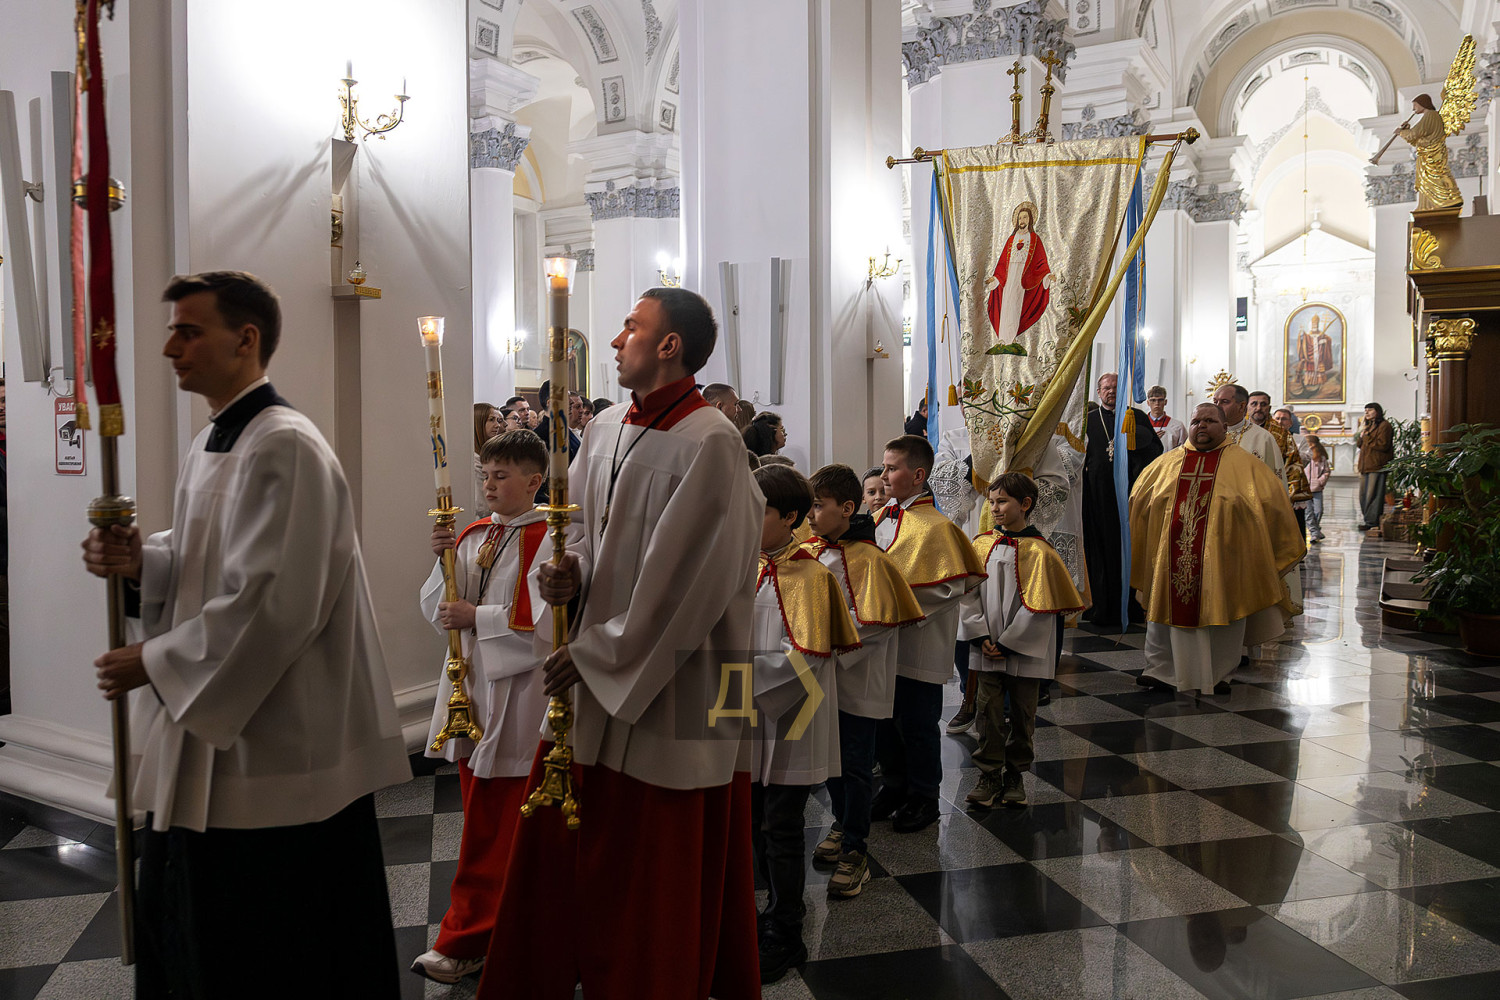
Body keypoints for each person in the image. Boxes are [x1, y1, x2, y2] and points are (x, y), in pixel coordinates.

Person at [80, 271, 409, 997]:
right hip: (212, 735)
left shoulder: (284, 444)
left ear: (246, 339)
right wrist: (142, 563)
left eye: (188, 331)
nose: (170, 347)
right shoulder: (214, 439)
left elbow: (273, 603)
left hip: (275, 748)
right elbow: (206, 564)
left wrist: (153, 661)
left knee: (268, 952)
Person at [479, 287, 762, 1000]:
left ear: (669, 345)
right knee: (571, 848)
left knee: (650, 868)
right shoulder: (605, 428)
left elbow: (691, 584)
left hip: (673, 685)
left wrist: (594, 652)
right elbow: (577, 528)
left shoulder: (712, 444)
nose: (614, 340)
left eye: (630, 327)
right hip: (597, 670)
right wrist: (566, 573)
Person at [412, 428, 554, 985]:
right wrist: (444, 563)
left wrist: (479, 618)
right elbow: (439, 608)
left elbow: (547, 626)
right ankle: (490, 934)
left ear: (534, 481)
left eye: (502, 476)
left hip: (518, 698)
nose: (490, 486)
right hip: (472, 691)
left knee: (503, 825)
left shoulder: (552, 537)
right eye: (486, 476)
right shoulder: (473, 534)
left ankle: (472, 937)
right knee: (482, 820)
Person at [748, 464, 859, 983]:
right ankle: (767, 910)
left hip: (793, 715)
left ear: (790, 517)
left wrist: (743, 678)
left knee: (783, 824)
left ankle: (787, 930)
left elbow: (808, 657)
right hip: (743, 713)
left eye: (760, 511)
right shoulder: (745, 567)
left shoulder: (812, 576)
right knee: (753, 820)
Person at [804, 464, 923, 898]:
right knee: (828, 763)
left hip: (856, 677)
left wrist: (826, 642)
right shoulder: (810, 552)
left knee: (855, 765)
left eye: (819, 506)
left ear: (847, 508)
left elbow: (876, 622)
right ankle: (841, 823)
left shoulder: (872, 559)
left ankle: (855, 850)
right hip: (817, 674)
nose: (810, 515)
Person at [1129, 403, 1304, 695]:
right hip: (1169, 560)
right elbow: (1140, 506)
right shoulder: (1164, 464)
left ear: (1224, 427)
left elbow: (1274, 512)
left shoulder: (1247, 466)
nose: (1201, 425)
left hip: (1225, 560)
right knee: (1163, 615)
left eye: (1209, 421)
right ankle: (1160, 670)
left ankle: (1219, 673)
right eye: (1196, 421)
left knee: (1224, 613)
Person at [873, 435, 986, 833]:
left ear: (918, 475)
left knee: (918, 726)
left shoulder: (938, 527)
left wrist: (895, 606)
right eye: (884, 467)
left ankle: (924, 797)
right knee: (884, 721)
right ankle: (894, 786)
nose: (884, 475)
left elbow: (949, 587)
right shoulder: (881, 518)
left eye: (892, 468)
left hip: (918, 645)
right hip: (880, 643)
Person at [961, 473, 1082, 808]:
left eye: (1002, 501)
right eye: (991, 502)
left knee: (1023, 715)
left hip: (1023, 650)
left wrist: (1009, 643)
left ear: (1025, 504)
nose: (994, 508)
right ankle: (989, 774)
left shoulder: (1041, 552)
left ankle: (1015, 775)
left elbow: (1041, 607)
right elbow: (968, 595)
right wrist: (981, 635)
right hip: (987, 646)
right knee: (987, 712)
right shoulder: (981, 545)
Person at [1082, 372, 1163, 627]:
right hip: (1096, 497)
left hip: (1128, 496)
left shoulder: (1135, 416)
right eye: (1106, 387)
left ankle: (1129, 605)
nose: (1111, 391)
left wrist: (1136, 443)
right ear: (1098, 392)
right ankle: (1101, 606)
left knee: (1127, 548)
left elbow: (1155, 452)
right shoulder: (1088, 420)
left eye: (1115, 387)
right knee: (1099, 550)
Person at [985, 200, 1052, 342]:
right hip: (1009, 276)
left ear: (1030, 219)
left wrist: (1046, 275)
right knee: (1007, 303)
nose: (1022, 220)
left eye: (1025, 217)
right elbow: (1002, 262)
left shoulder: (1034, 239)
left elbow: (1040, 260)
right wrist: (996, 278)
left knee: (1016, 305)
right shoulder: (1011, 239)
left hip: (1023, 277)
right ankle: (1003, 338)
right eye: (1020, 218)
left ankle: (1012, 338)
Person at [1249, 390, 1311, 536]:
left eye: (1263, 404)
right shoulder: (1238, 431)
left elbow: (1293, 463)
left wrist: (1292, 493)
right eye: (1254, 404)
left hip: (1273, 491)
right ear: (1246, 407)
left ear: (1269, 408)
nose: (1258, 408)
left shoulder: (1281, 434)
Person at [1395, 94, 1464, 211]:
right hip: (1429, 152)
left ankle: (1449, 198)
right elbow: (1417, 139)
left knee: (1435, 175)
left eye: (1415, 105)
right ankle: (1429, 205)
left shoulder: (1431, 115)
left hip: (1432, 153)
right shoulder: (1430, 116)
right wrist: (1406, 130)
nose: (1413, 109)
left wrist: (1401, 132)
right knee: (1428, 178)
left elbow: (1415, 134)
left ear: (1423, 104)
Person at [1355, 402, 1393, 532]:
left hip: (1377, 465)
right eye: (1366, 410)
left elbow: (1383, 445)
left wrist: (1366, 437)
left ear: (1377, 411)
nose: (1367, 412)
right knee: (1363, 495)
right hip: (1365, 465)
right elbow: (1360, 445)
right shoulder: (1368, 426)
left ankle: (1372, 522)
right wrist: (1361, 435)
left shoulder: (1385, 426)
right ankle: (1367, 520)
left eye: (1370, 410)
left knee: (1373, 494)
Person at [474, 402, 502, 510]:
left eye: (498, 420)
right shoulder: (474, 461)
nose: (497, 425)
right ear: (478, 423)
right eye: (491, 420)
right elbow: (481, 505)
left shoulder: (490, 454)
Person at [1145, 384, 1186, 450]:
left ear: (1165, 402)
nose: (1157, 403)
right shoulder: (1142, 424)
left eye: (1160, 400)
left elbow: (1183, 450)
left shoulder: (1177, 426)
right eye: (1153, 400)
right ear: (1148, 403)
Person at [1306, 441, 1330, 543]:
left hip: (1317, 488)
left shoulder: (1321, 458)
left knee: (1318, 510)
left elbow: (1326, 471)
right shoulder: (1304, 457)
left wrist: (1321, 481)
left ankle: (1316, 530)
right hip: (1305, 489)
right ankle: (1314, 533)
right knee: (1308, 513)